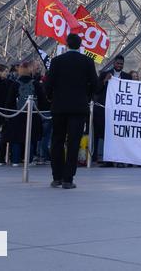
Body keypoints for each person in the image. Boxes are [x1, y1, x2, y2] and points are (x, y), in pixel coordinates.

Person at [45, 33, 99, 189]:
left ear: (67, 44)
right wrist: (86, 95)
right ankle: (68, 179)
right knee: (73, 142)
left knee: (57, 141)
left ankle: (57, 177)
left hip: (59, 107)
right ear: (80, 45)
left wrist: (51, 98)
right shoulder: (87, 61)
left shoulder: (56, 61)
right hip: (78, 107)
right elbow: (95, 85)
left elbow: (48, 84)